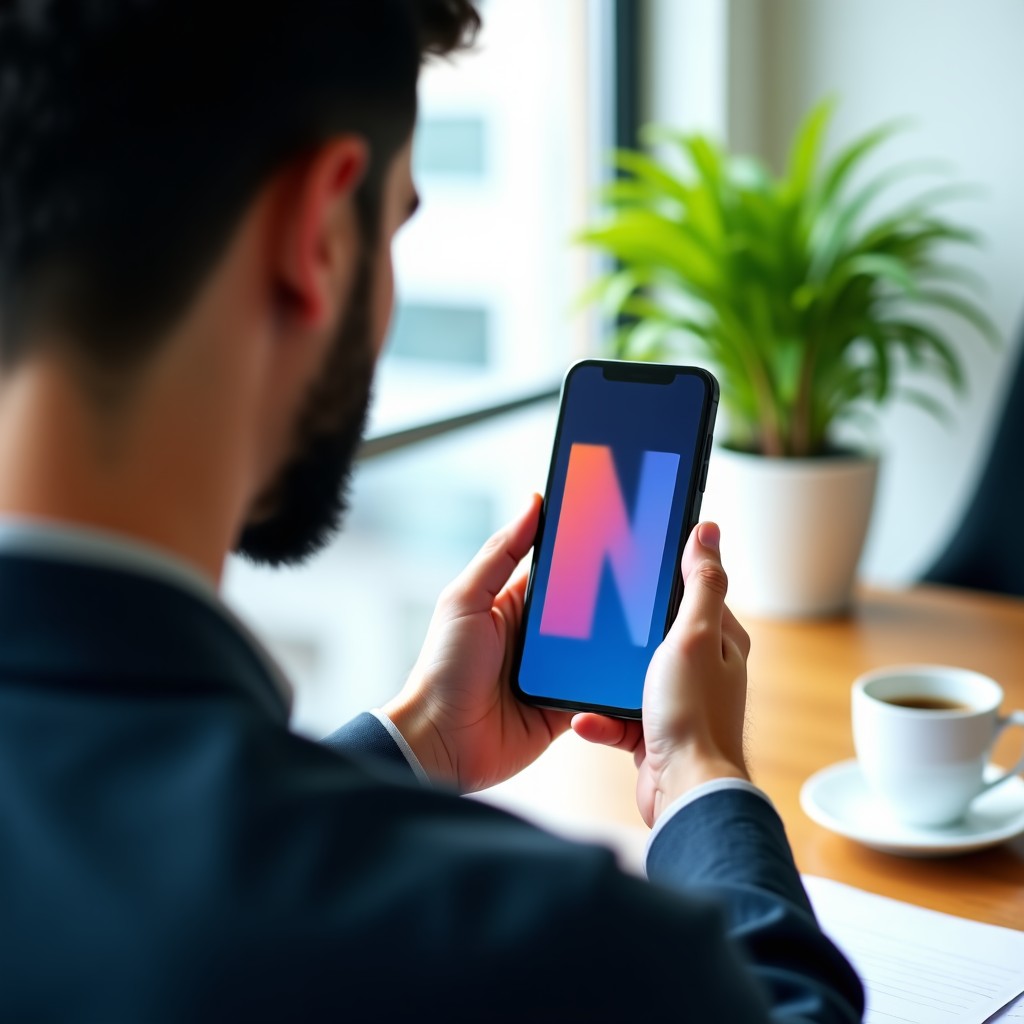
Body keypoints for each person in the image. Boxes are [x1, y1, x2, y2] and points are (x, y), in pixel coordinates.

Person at [0, 1, 864, 1020]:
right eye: (397, 222)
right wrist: (705, 780)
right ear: (318, 236)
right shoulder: (536, 937)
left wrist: (417, 737)